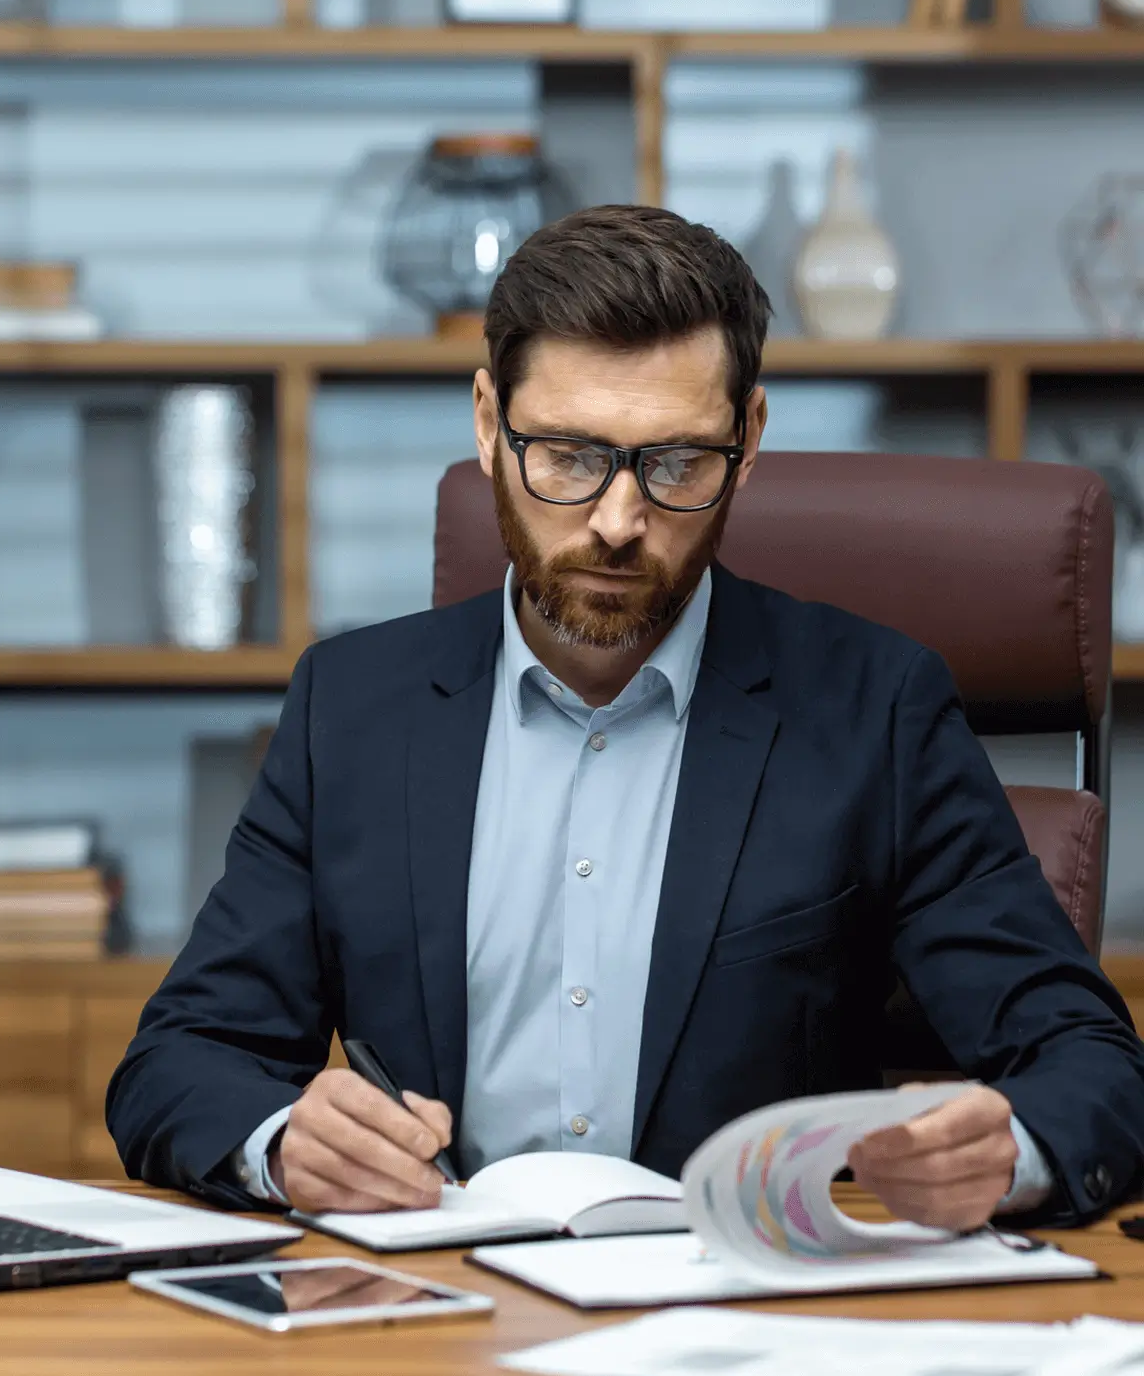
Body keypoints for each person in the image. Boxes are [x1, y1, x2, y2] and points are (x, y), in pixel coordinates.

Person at [107, 204, 1144, 1231]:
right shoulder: (354, 709)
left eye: (676, 464)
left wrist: (1007, 1154)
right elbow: (180, 1063)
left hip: (744, 1314)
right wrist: (287, 1140)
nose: (615, 521)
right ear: (485, 424)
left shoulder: (873, 709)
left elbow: (1091, 1067)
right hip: (437, 1316)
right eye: (565, 455)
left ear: (747, 439)